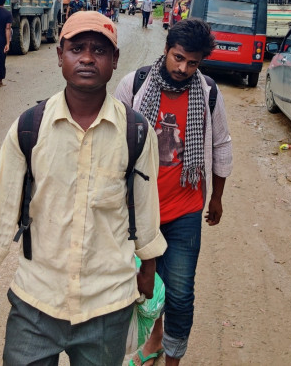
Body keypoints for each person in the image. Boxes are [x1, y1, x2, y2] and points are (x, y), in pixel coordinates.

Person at [0, 11, 166, 365]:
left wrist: (147, 273)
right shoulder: (29, 128)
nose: (87, 58)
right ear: (60, 56)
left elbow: (146, 214)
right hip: (35, 304)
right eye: (77, 48)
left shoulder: (135, 133)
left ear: (114, 60)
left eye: (99, 50)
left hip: (108, 306)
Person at [114, 19, 233, 366]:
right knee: (134, 290)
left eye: (192, 63)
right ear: (166, 49)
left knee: (180, 295)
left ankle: (171, 360)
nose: (183, 68)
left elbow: (221, 144)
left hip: (184, 211)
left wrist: (217, 197)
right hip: (135, 213)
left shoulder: (208, 93)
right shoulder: (133, 85)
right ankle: (149, 341)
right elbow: (112, 142)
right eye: (178, 58)